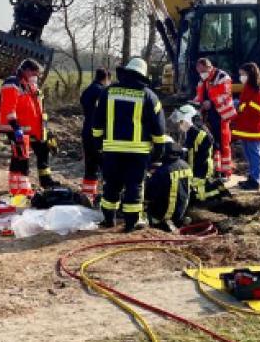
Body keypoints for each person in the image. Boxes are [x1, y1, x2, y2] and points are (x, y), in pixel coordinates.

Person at [92, 57, 168, 232]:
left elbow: (97, 122)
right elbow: (159, 128)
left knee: (111, 184)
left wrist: (98, 144)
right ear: (142, 75)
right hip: (138, 151)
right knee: (134, 185)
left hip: (111, 149)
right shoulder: (149, 96)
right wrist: (159, 150)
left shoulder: (108, 92)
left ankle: (108, 219)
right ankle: (131, 223)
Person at [0, 59, 55, 206]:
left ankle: (34, 185)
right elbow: (9, 108)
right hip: (17, 128)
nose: (37, 75)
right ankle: (21, 191)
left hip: (33, 129)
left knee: (39, 151)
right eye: (34, 72)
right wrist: (16, 127)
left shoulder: (30, 85)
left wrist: (46, 131)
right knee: (21, 159)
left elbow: (38, 109)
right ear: (26, 70)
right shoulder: (13, 83)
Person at [170, 104, 224, 203]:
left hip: (201, 168)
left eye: (181, 121)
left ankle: (206, 204)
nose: (180, 124)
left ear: (188, 118)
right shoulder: (192, 130)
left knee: (201, 190)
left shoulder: (198, 132)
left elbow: (195, 150)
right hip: (195, 166)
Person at [193, 58, 237, 180]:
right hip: (209, 116)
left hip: (221, 115)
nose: (200, 74)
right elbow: (199, 95)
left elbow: (225, 95)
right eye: (199, 71)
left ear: (208, 67)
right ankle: (217, 170)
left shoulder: (222, 76)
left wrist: (211, 103)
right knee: (214, 143)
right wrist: (195, 103)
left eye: (202, 70)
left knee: (223, 143)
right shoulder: (202, 80)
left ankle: (226, 172)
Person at [231, 62, 260, 191]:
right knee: (248, 153)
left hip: (253, 126)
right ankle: (251, 177)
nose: (241, 77)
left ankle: (256, 180)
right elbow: (245, 103)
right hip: (246, 126)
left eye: (243, 74)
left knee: (253, 153)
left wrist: (241, 107)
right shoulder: (248, 87)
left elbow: (258, 108)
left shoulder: (258, 89)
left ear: (250, 74)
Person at [144, 137, 192, 232]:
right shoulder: (186, 166)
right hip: (181, 212)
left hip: (161, 216)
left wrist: (148, 179)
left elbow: (148, 194)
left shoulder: (163, 171)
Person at [79, 68, 111, 203]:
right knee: (106, 166)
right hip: (99, 134)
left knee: (90, 165)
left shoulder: (87, 91)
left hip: (87, 131)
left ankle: (87, 195)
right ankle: (106, 197)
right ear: (106, 78)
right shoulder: (103, 92)